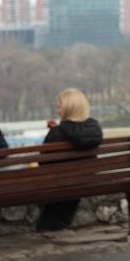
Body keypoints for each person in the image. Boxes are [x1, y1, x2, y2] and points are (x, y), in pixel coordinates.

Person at [36, 88, 103, 231]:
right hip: (87, 181)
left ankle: (49, 224)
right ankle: (57, 223)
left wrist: (54, 131)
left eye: (59, 107)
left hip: (59, 185)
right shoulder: (94, 130)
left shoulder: (56, 134)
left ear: (68, 109)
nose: (57, 111)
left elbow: (43, 163)